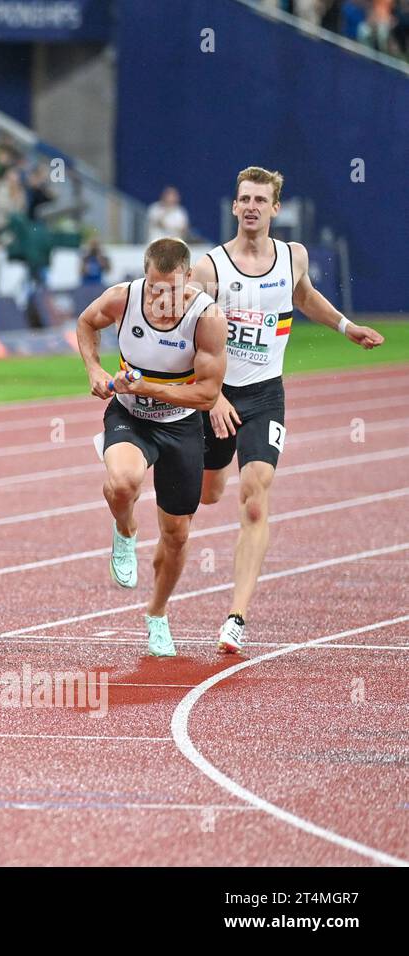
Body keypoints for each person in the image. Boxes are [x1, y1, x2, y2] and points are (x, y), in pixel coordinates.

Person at [192, 166, 384, 653]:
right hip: (217, 393)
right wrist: (212, 397)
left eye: (261, 199)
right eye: (244, 199)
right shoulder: (209, 269)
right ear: (234, 207)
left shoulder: (293, 257)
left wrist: (345, 327)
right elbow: (187, 339)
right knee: (211, 492)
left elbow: (303, 297)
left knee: (255, 495)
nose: (252, 206)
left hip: (264, 395)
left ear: (276, 208)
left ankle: (236, 616)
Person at [77, 237, 228, 657]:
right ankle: (125, 530)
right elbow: (86, 323)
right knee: (123, 483)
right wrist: (94, 368)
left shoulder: (207, 318)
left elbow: (206, 396)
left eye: (173, 289)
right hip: (129, 416)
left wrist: (150, 386)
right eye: (156, 287)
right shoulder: (122, 300)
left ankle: (157, 614)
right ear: (145, 276)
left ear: (189, 279)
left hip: (180, 427)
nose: (164, 298)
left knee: (177, 535)